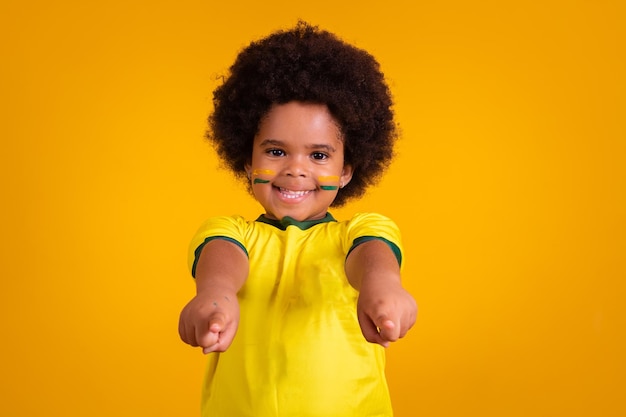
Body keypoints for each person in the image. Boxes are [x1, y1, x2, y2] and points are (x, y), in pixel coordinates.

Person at [179, 21, 417, 417]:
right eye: (275, 152)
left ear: (347, 170)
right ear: (247, 159)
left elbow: (372, 257)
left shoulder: (358, 233)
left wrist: (383, 287)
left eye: (319, 156)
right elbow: (222, 262)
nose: (295, 169)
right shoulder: (230, 232)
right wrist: (214, 297)